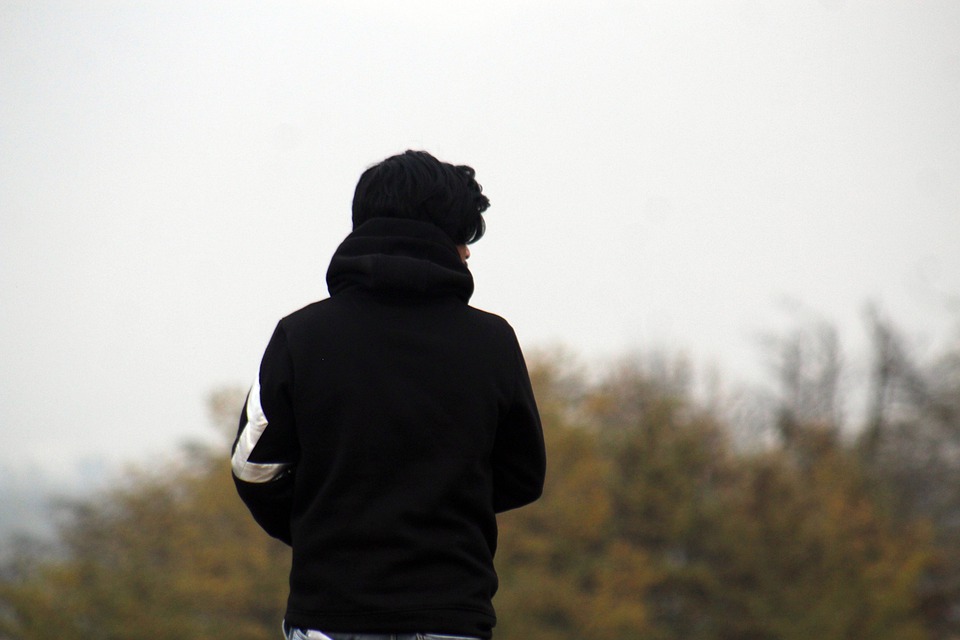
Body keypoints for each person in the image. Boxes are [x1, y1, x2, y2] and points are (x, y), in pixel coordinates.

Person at [231, 150, 546, 640]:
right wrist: (442, 510)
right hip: (453, 616)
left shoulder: (302, 335)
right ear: (444, 236)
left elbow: (254, 468)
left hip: (330, 617)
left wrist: (322, 526)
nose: (467, 253)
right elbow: (523, 475)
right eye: (464, 237)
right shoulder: (492, 342)